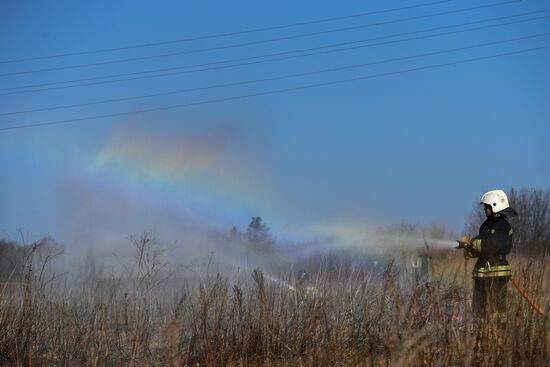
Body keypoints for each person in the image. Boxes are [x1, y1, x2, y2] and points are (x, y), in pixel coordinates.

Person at [461, 189, 515, 324]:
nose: (485, 209)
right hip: (482, 275)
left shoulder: (503, 226)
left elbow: (490, 246)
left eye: (487, 206)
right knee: (478, 313)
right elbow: (482, 247)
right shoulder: (485, 225)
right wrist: (470, 249)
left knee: (496, 312)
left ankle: (497, 339)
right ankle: (480, 340)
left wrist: (472, 243)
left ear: (495, 206)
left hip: (496, 274)